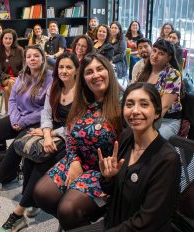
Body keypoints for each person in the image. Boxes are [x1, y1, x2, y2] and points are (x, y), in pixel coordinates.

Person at [33, 53, 122, 231]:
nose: (95, 75)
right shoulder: (82, 100)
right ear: (83, 78)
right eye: (89, 72)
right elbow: (70, 134)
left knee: (68, 209)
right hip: (76, 160)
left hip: (103, 171)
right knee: (41, 194)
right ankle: (77, 226)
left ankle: (75, 222)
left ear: (109, 71)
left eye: (99, 69)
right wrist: (73, 160)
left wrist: (110, 178)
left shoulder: (122, 103)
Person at [0, 52, 79, 232]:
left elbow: (77, 125)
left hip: (72, 138)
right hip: (51, 131)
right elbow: (46, 114)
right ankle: (31, 200)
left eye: (69, 67)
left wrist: (51, 134)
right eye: (61, 67)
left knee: (44, 160)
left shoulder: (81, 92)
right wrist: (46, 134)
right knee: (30, 157)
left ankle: (18, 213)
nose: (64, 71)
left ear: (76, 71)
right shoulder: (55, 87)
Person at [99, 82, 180, 231]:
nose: (135, 111)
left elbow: (148, 222)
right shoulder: (126, 137)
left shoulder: (168, 159)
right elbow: (111, 191)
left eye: (144, 104)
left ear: (156, 112)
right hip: (113, 222)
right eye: (129, 104)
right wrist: (108, 177)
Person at [0, 45, 53, 202]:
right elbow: (12, 99)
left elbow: (46, 110)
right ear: (25, 59)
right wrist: (14, 119)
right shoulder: (22, 75)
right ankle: (9, 170)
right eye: (29, 56)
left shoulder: (50, 79)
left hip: (37, 122)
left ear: (43, 58)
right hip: (18, 118)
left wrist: (24, 121)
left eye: (36, 56)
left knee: (17, 144)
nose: (32, 59)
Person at [137, 39, 182, 140]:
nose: (155, 55)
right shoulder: (143, 72)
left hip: (166, 120)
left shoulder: (173, 74)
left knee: (149, 140)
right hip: (144, 116)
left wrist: (146, 126)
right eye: (154, 50)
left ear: (168, 58)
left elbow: (164, 106)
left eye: (161, 53)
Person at [0, 28, 24, 112]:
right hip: (4, 79)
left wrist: (19, 77)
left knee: (7, 89)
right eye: (6, 38)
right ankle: (19, 110)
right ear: (2, 39)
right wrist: (9, 77)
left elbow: (24, 67)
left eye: (10, 38)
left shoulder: (20, 50)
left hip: (19, 79)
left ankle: (10, 114)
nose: (8, 41)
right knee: (11, 82)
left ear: (13, 39)